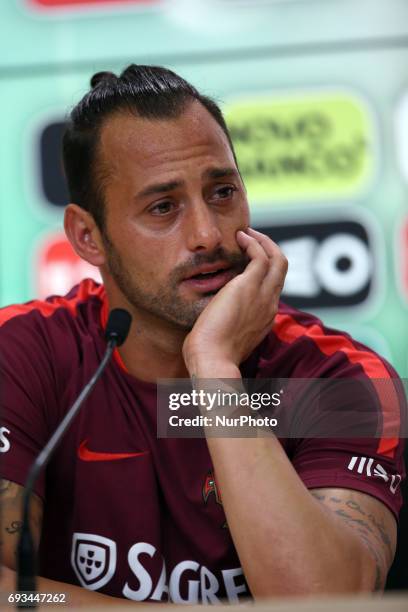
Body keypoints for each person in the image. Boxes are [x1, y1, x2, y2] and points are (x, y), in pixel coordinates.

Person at [0, 65, 405, 605]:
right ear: (87, 236)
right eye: (163, 207)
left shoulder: (340, 377)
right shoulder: (21, 352)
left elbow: (320, 600)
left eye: (222, 192)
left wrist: (215, 370)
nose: (208, 235)